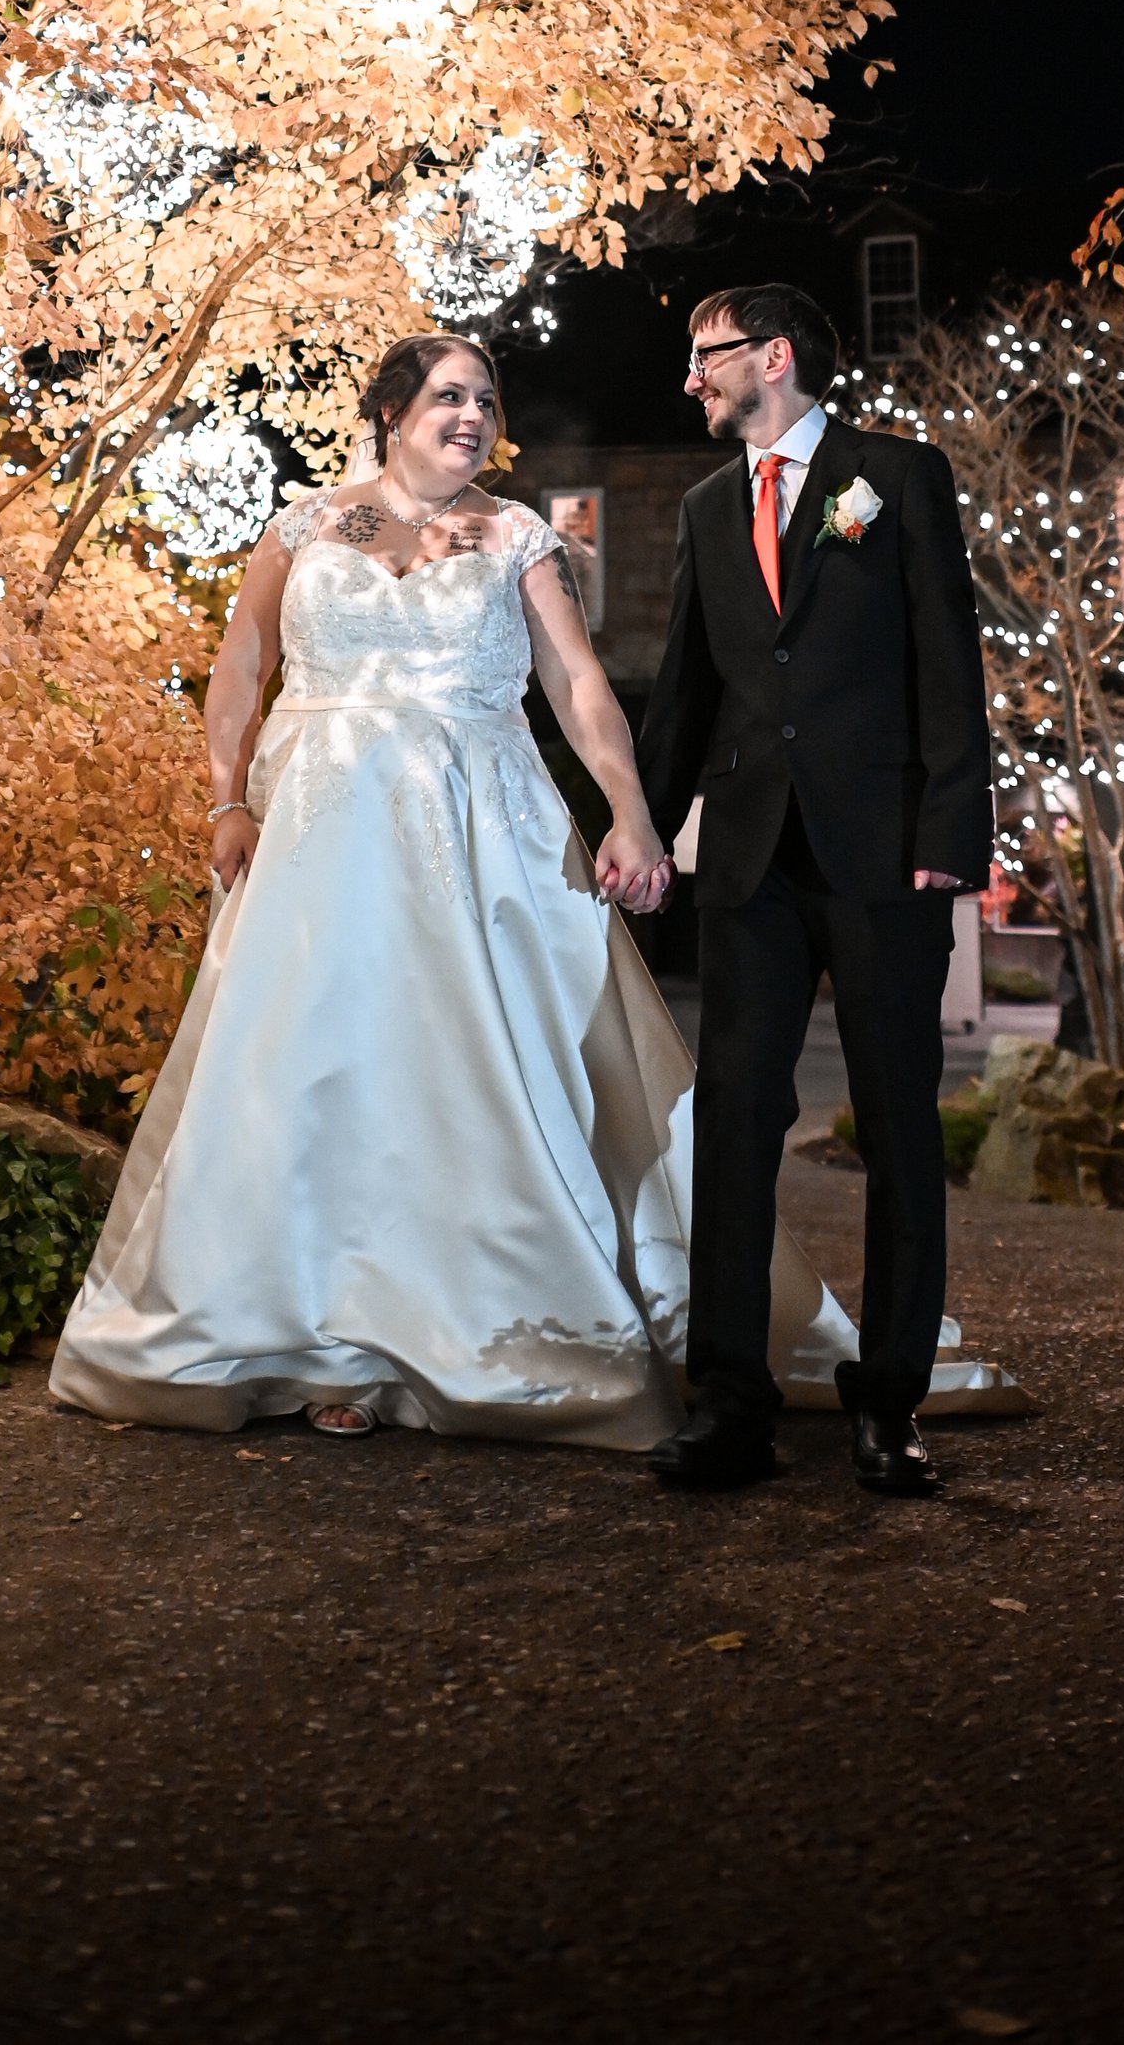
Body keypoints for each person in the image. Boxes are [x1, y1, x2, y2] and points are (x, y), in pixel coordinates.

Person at [50, 331, 858, 1445]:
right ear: (391, 411)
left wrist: (628, 811)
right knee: (311, 1072)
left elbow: (577, 682)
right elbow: (241, 664)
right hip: (318, 844)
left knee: (463, 1074)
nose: (470, 414)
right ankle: (315, 1336)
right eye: (446, 396)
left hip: (481, 834)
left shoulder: (514, 533)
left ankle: (477, 1324)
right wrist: (224, 798)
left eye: (484, 398)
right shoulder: (308, 524)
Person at [636, 281, 994, 1495]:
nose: (691, 378)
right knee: (734, 1123)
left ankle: (886, 1405)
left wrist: (952, 825)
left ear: (771, 356)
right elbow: (685, 689)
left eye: (706, 356)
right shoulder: (698, 509)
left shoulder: (894, 475)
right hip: (749, 858)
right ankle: (727, 1401)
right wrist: (632, 823)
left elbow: (949, 654)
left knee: (897, 1123)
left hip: (885, 849)